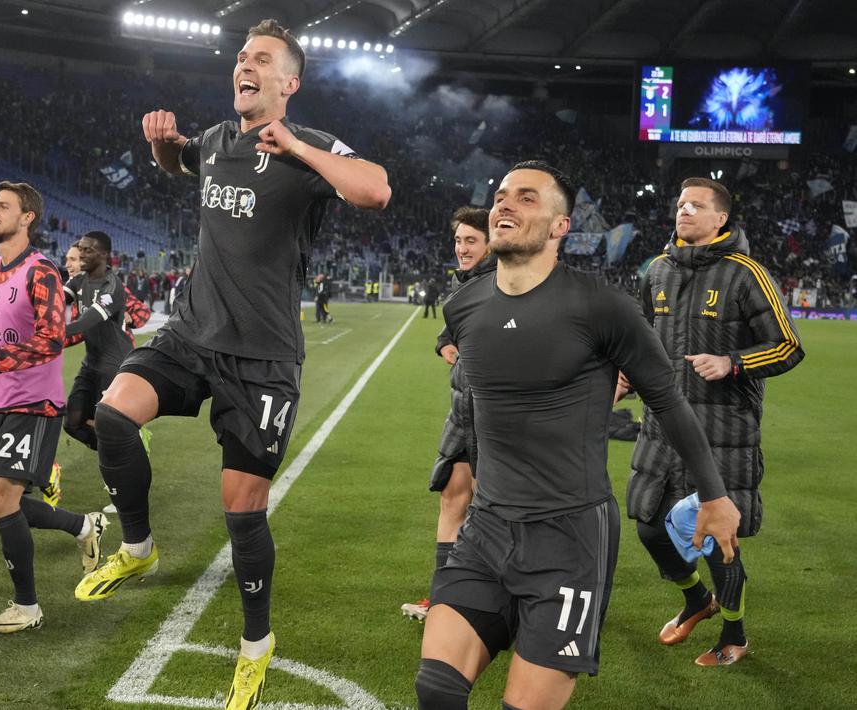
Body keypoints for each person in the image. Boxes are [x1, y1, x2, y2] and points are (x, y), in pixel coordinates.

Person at [74, 20, 390, 709]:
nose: (244, 65)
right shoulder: (218, 139)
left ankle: (254, 645)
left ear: (288, 82)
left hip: (263, 355)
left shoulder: (309, 148)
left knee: (240, 510)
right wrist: (162, 148)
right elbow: (182, 166)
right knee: (112, 414)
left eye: (261, 59)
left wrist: (301, 148)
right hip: (190, 332)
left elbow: (375, 191)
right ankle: (137, 546)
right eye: (241, 57)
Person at [417, 161, 740, 710]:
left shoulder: (601, 306)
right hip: (486, 529)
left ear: (561, 226)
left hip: (568, 538)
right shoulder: (464, 306)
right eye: (500, 196)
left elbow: (666, 398)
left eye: (525, 198)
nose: (504, 205)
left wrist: (714, 494)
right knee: (437, 690)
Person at [620, 177, 804, 667]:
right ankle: (695, 600)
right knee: (650, 528)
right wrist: (627, 379)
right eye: (680, 204)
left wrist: (733, 362)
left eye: (696, 205)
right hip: (661, 428)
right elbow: (642, 343)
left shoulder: (746, 274)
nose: (684, 211)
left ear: (720, 218)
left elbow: (789, 346)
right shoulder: (656, 270)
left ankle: (734, 634)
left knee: (716, 538)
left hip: (723, 433)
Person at [0, 182, 107, 633]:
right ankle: (82, 525)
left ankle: (28, 607)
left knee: (2, 501)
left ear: (27, 218)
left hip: (35, 404)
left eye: (3, 206)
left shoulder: (42, 271)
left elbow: (51, 338)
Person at [401, 206, 494, 622]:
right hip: (462, 413)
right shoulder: (462, 287)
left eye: (470, 240)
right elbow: (447, 333)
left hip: (494, 419)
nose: (461, 248)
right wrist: (445, 347)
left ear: (491, 243)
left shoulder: (503, 284)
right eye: (458, 240)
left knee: (494, 513)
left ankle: (496, 601)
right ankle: (443, 600)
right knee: (452, 497)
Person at [62, 231, 151, 453]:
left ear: (102, 254)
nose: (78, 257)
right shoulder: (78, 282)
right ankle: (124, 449)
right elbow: (53, 300)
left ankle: (123, 453)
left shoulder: (112, 285)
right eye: (77, 252)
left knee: (108, 427)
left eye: (85, 251)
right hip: (91, 362)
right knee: (71, 423)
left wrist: (48, 336)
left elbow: (87, 323)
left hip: (116, 364)